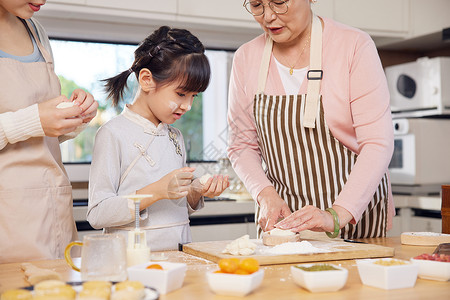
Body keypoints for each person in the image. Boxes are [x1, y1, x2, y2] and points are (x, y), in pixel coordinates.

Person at [227, 0, 394, 239]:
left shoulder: (353, 45)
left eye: (279, 2)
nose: (268, 16)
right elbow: (241, 144)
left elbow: (378, 143)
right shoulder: (246, 57)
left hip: (355, 221)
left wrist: (336, 214)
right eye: (256, 5)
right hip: (284, 225)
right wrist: (265, 195)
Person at [87, 26, 230, 251]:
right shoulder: (112, 134)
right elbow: (98, 213)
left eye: (194, 96)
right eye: (181, 94)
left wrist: (196, 190)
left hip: (179, 258)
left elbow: (175, 205)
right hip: (132, 264)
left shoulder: (175, 136)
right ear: (146, 80)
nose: (188, 106)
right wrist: (157, 190)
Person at [0, 0, 98, 263]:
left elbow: (41, 133)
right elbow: (30, 122)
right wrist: (34, 119)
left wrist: (74, 117)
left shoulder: (36, 31)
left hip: (54, 209)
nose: (42, 0)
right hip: (7, 218)